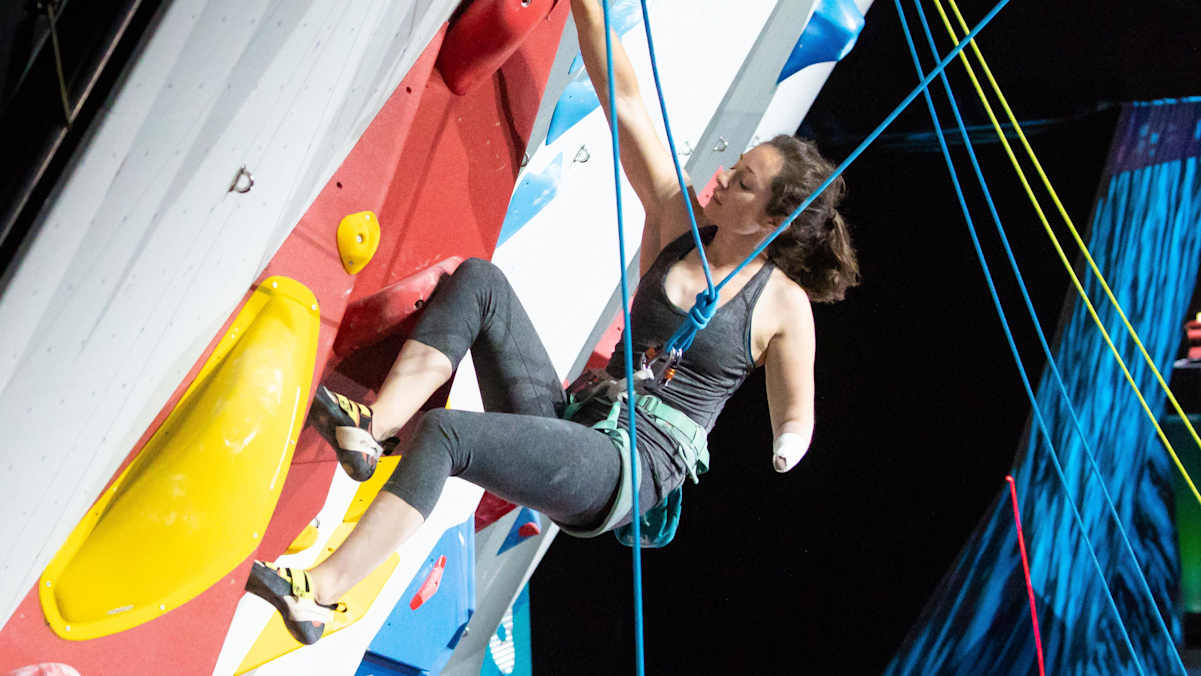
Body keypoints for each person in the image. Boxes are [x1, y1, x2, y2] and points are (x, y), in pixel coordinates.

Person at [244, 0, 860, 646]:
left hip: (628, 465)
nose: (725, 174)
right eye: (738, 165)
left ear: (770, 221)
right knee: (480, 283)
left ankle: (321, 595)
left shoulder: (780, 302)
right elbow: (623, 101)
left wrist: (787, 445)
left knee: (451, 437)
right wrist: (588, 9)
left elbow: (797, 411)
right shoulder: (680, 220)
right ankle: (374, 428)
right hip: (577, 417)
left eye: (743, 183)